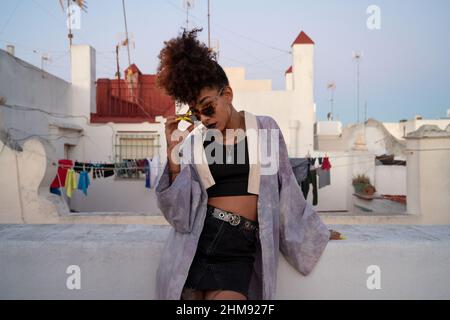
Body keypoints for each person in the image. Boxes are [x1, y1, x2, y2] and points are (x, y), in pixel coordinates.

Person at [154, 28, 340, 300]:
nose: (204, 118)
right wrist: (172, 153)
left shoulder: (265, 130)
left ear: (227, 94)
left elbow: (287, 189)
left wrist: (317, 233)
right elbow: (180, 216)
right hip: (196, 247)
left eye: (208, 107)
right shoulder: (193, 144)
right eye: (196, 113)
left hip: (237, 253)